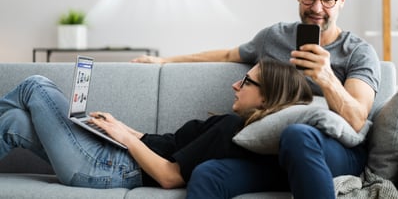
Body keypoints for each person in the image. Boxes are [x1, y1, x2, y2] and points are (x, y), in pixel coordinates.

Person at [132, 0, 381, 198]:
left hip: (333, 153)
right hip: (273, 155)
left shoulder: (358, 52)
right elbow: (229, 54)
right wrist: (164, 61)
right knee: (208, 173)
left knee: (297, 135)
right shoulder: (275, 37)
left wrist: (326, 77)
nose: (317, 8)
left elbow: (357, 119)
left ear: (342, 0)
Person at [0, 58, 312, 189]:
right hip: (111, 157)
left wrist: (124, 136)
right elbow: (166, 144)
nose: (235, 84)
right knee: (14, 121)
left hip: (108, 168)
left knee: (36, 84)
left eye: (246, 81)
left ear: (266, 98)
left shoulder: (231, 128)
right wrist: (121, 128)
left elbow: (169, 176)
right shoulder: (233, 125)